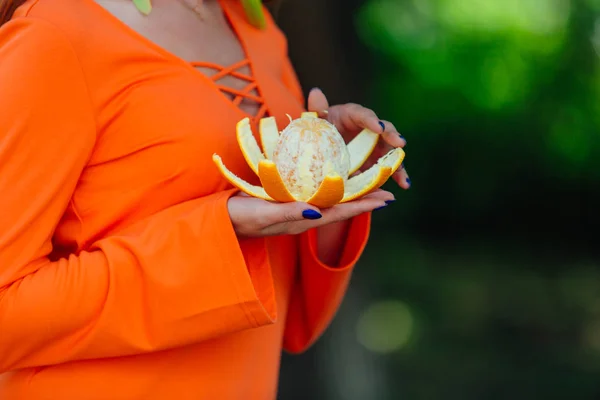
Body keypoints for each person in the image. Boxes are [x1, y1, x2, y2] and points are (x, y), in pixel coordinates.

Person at [0, 0, 410, 398]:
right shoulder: (56, 32)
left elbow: (289, 311)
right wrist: (223, 230)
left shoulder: (255, 25)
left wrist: (329, 170)